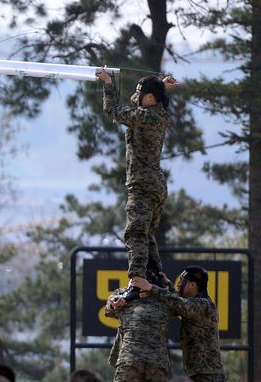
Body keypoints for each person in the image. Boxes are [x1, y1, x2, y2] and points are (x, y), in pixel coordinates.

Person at [96, 69, 177, 301]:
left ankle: (137, 281)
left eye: (142, 93)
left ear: (150, 98)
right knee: (147, 235)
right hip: (155, 185)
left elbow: (112, 110)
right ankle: (155, 277)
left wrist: (108, 84)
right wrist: (159, 86)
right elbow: (136, 101)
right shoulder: (158, 113)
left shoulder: (144, 117)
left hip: (142, 185)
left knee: (136, 235)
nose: (136, 96)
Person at [131, 267, 226, 382]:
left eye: (182, 281)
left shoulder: (205, 306)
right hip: (199, 373)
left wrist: (151, 288)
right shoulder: (195, 303)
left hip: (209, 375)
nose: (178, 284)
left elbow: (181, 304)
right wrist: (167, 285)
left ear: (193, 285)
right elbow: (177, 302)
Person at [105, 283, 174, 382]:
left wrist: (164, 286)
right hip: (130, 358)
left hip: (155, 360)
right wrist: (130, 297)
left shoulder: (163, 296)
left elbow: (180, 305)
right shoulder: (125, 293)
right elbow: (109, 307)